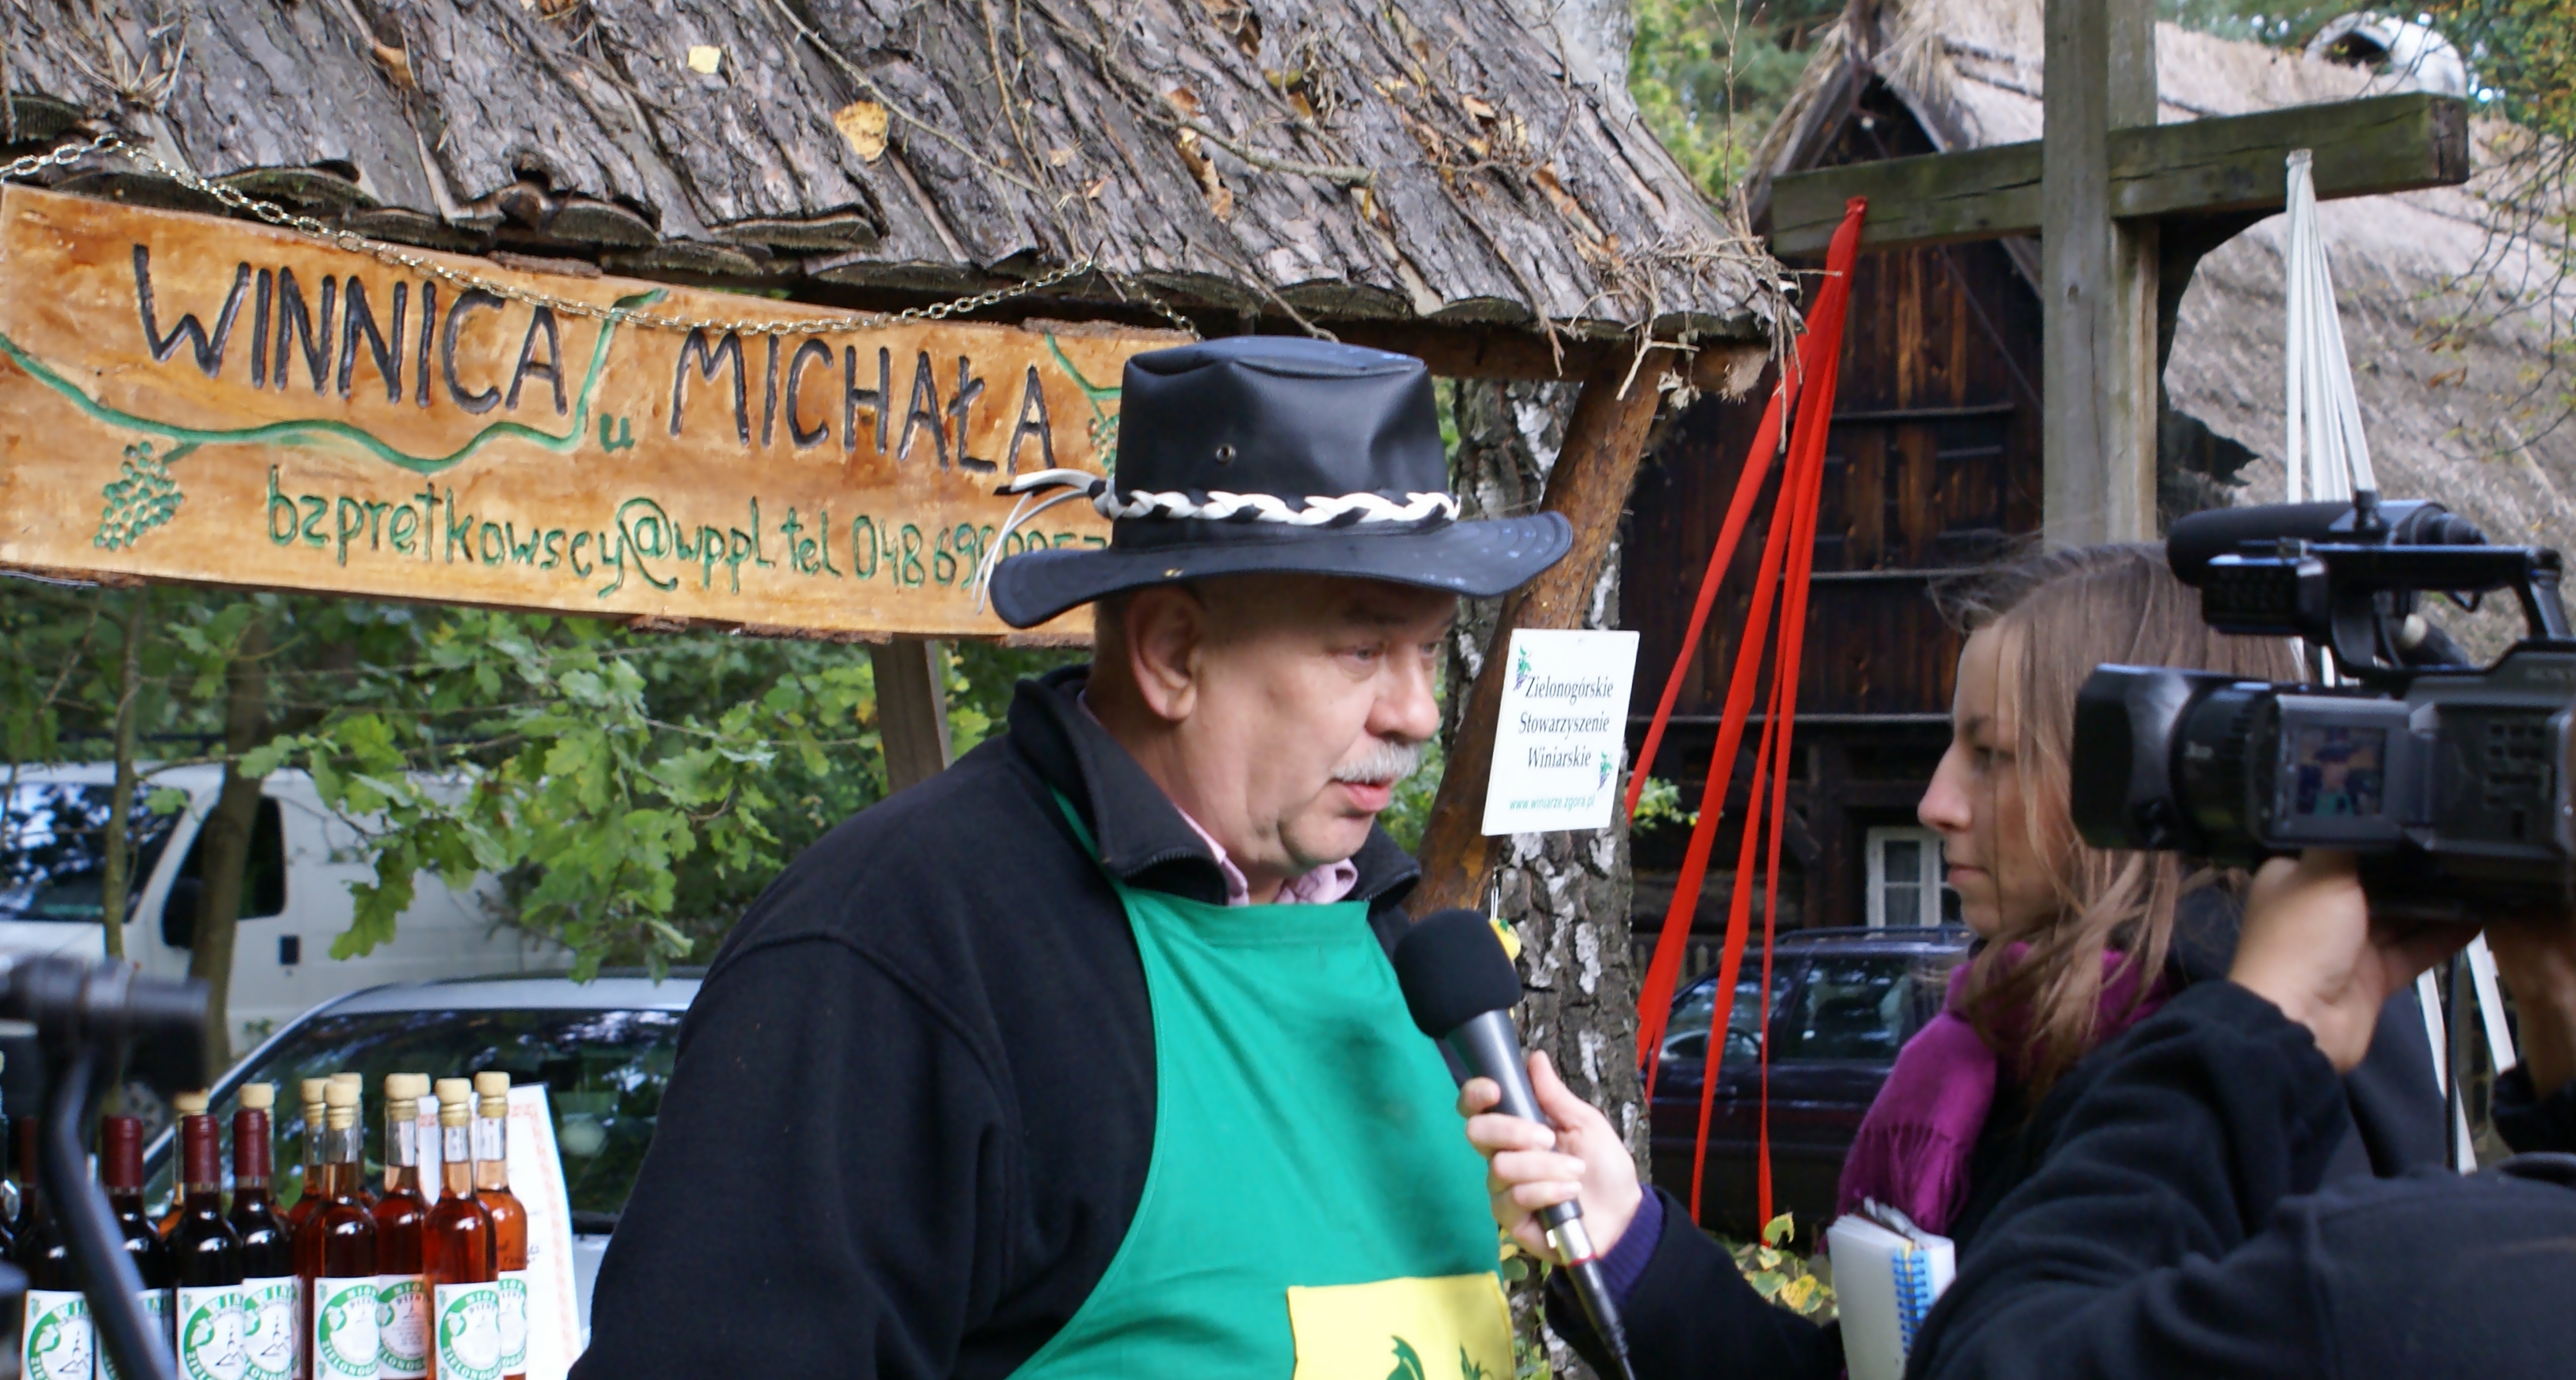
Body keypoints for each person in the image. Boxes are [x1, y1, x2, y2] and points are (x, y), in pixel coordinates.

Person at [574, 337, 1574, 1378]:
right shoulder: (895, 947)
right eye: (1361, 649)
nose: (1416, 712)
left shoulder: (1393, 944)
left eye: (1428, 651)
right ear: (1172, 653)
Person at [1464, 544, 2448, 1376]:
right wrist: (1627, 1238)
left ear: (2149, 779)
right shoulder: (2023, 1049)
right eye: (1951, 746)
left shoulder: (2264, 1113)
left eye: (1994, 753)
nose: (1937, 800)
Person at [1908, 852, 2576, 1378]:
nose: (1936, 802)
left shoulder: (2417, 1293)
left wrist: (2256, 1024)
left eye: (1994, 754)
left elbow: (1994, 1354)